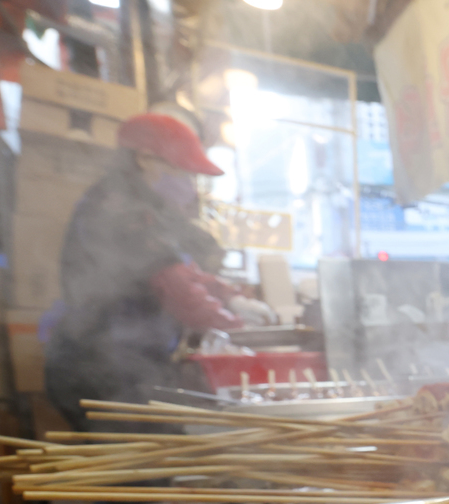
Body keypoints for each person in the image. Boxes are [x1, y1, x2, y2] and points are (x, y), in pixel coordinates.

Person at [45, 113, 276, 431]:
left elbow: (184, 269)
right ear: (144, 159)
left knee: (162, 458)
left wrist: (231, 298)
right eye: (181, 172)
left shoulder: (147, 208)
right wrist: (234, 330)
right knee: (138, 470)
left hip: (129, 364)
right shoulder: (118, 209)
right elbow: (176, 289)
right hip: (100, 368)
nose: (190, 185)